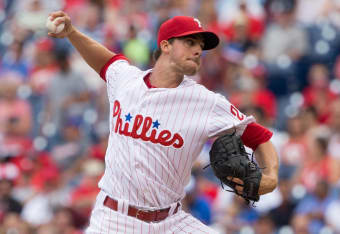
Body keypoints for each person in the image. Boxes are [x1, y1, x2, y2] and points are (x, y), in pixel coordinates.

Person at [48, 11, 279, 233]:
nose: (198, 50)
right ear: (165, 45)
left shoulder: (205, 102)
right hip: (114, 219)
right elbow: (105, 61)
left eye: (201, 45)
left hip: (171, 221)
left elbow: (260, 137)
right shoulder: (126, 80)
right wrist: (72, 33)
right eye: (190, 42)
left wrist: (271, 176)